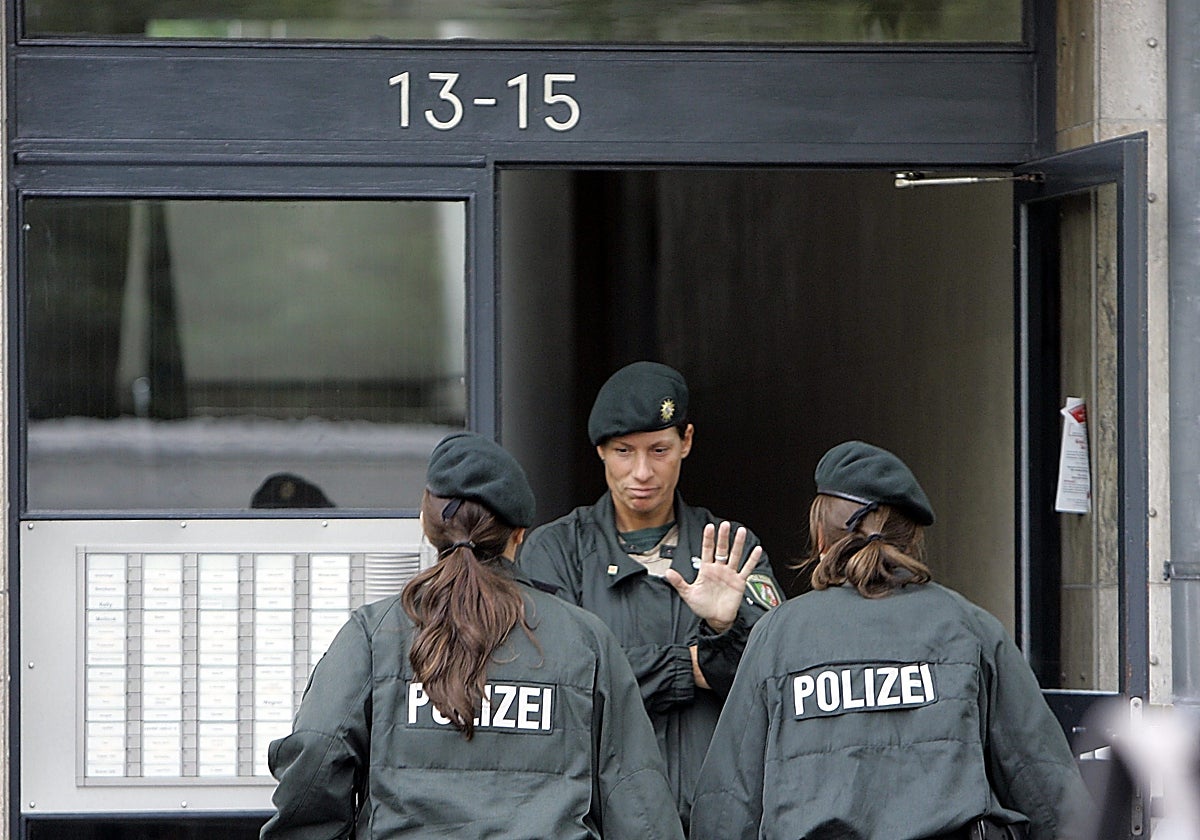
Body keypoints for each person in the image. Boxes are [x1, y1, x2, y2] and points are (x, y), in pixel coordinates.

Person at [261, 431, 684, 840]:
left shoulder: (375, 634)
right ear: (519, 534)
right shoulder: (586, 641)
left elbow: (315, 758)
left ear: (426, 524)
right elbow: (639, 803)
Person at [689, 440, 1091, 840]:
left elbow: (725, 807)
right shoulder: (970, 628)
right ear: (911, 540)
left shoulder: (777, 636)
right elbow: (1049, 791)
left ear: (821, 537)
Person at [518, 360, 784, 831]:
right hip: (598, 822)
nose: (642, 472)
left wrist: (725, 627)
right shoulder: (557, 551)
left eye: (659, 450)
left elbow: (776, 684)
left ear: (686, 441)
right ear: (601, 450)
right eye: (624, 451)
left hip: (719, 821)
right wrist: (692, 665)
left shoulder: (730, 549)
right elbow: (558, 690)